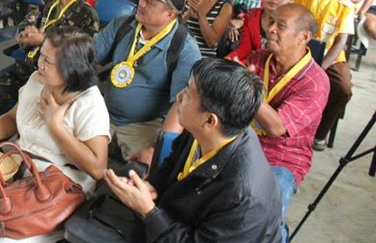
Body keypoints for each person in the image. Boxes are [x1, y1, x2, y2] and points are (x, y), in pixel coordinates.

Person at [0, 27, 110, 243]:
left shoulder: (89, 103)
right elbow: (12, 119)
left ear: (71, 69)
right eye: (41, 55)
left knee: (4, 242)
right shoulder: (37, 80)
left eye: (48, 62)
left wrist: (56, 126)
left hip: (58, 190)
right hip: (19, 176)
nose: (39, 64)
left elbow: (98, 169)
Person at [104, 58, 281, 243]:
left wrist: (148, 211)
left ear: (210, 120)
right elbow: (173, 161)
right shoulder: (208, 131)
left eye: (188, 95)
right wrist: (153, 186)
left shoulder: (244, 199)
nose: (179, 96)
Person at [245, 3, 329, 242]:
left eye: (280, 25)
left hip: (282, 158)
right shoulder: (259, 58)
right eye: (270, 22)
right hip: (242, 141)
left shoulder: (315, 82)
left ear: (304, 37)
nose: (270, 29)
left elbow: (276, 127)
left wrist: (245, 88)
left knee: (264, 217)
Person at [0, 0, 99, 123]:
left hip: (56, 80)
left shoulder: (86, 15)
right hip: (29, 68)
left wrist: (43, 40)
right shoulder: (49, 2)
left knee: (30, 106)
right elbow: (26, 23)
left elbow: (81, 58)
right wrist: (25, 34)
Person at [94, 0, 201, 163]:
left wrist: (157, 149)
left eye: (150, 1)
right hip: (102, 111)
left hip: (143, 125)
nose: (141, 3)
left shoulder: (184, 48)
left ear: (170, 14)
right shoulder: (123, 25)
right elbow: (90, 54)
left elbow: (181, 105)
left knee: (143, 173)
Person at [292, 0, 354, 151]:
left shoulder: (344, 6)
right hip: (300, 51)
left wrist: (320, 67)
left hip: (330, 57)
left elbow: (341, 41)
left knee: (343, 88)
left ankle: (319, 133)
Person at [227, 0, 291, 61]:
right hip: (253, 67)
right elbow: (244, 49)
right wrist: (227, 60)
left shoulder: (292, 23)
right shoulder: (251, 15)